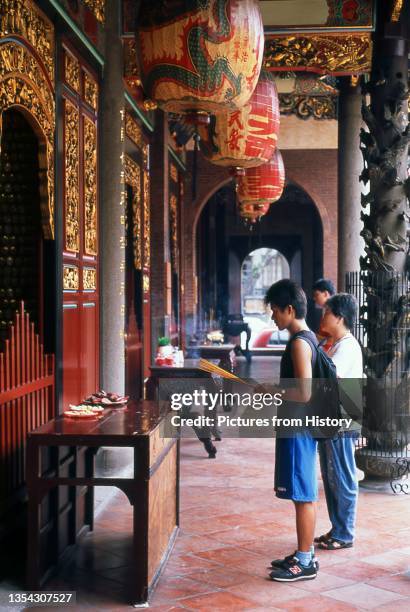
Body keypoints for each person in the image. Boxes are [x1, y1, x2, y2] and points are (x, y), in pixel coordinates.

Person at [265, 279, 319, 582]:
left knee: (303, 494)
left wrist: (272, 391)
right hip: (297, 425)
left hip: (299, 427)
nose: (273, 316)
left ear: (289, 309)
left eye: (275, 310)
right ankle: (303, 552)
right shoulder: (305, 338)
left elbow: (305, 393)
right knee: (301, 492)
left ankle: (305, 560)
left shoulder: (299, 342)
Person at [315, 293, 363, 550]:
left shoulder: (347, 346)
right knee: (331, 475)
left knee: (343, 475)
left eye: (326, 313)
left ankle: (345, 533)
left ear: (339, 317)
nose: (322, 317)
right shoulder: (335, 343)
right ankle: (337, 527)